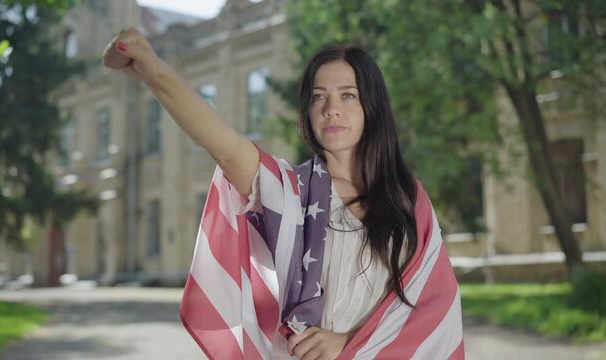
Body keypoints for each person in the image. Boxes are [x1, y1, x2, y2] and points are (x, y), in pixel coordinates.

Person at [103, 29, 464, 360]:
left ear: (372, 106)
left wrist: (352, 342)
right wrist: (152, 71)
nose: (331, 108)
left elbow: (434, 306)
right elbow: (225, 147)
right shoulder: (292, 191)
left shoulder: (407, 199)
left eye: (348, 95)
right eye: (318, 97)